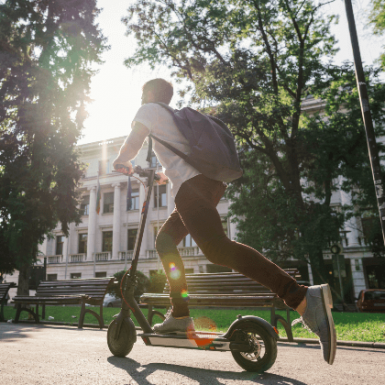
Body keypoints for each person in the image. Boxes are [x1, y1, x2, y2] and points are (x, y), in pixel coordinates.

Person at [113, 78, 337, 365]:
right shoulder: (171, 118)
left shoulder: (148, 110)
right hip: (208, 185)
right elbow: (181, 161)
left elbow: (133, 141)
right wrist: (160, 176)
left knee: (216, 249)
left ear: (147, 95)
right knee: (166, 240)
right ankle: (180, 315)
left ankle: (300, 297)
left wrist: (121, 159)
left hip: (192, 190)